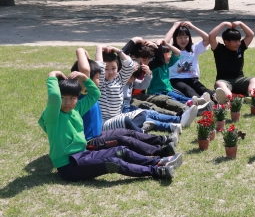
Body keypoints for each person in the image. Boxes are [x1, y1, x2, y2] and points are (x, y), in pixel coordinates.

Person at [39, 70, 182, 181]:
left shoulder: (76, 109)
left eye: (72, 98)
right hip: (69, 166)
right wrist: (52, 75)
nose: (67, 102)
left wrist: (84, 78)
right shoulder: (53, 116)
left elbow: (95, 94)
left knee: (121, 150)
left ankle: (158, 161)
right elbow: (54, 98)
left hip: (82, 154)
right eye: (63, 98)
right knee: (114, 162)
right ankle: (156, 171)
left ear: (77, 99)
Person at [73, 48, 179, 157]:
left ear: (118, 68)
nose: (109, 72)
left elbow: (129, 66)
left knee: (141, 114)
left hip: (117, 116)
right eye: (106, 69)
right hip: (105, 122)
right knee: (126, 125)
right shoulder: (100, 84)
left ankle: (148, 134)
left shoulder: (119, 79)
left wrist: (118, 51)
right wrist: (98, 48)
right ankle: (143, 134)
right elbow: (95, 68)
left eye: (113, 68)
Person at [209, 21, 255, 103]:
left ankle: (252, 96)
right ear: (226, 42)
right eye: (235, 41)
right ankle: (232, 99)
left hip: (239, 79)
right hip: (224, 81)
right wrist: (223, 24)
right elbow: (211, 36)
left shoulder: (241, 47)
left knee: (254, 79)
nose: (238, 43)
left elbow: (250, 35)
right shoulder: (219, 49)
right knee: (219, 84)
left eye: (239, 40)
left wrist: (241, 24)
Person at [164, 21, 214, 101]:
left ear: (189, 37)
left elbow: (207, 38)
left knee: (202, 89)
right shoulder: (171, 50)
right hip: (175, 79)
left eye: (186, 37)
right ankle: (199, 101)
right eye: (180, 37)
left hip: (192, 78)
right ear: (175, 38)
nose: (183, 40)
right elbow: (165, 42)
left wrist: (192, 26)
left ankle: (216, 97)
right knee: (188, 90)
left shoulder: (194, 48)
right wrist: (174, 26)